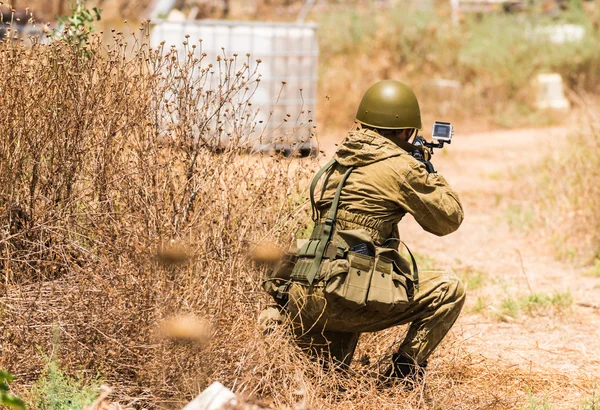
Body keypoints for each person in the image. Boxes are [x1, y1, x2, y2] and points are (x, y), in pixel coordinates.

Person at [263, 80, 465, 387]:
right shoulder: (400, 167)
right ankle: (402, 379)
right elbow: (448, 220)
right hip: (342, 295)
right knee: (449, 290)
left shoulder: (340, 160)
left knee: (328, 386)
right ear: (404, 131)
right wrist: (427, 172)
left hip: (305, 289)